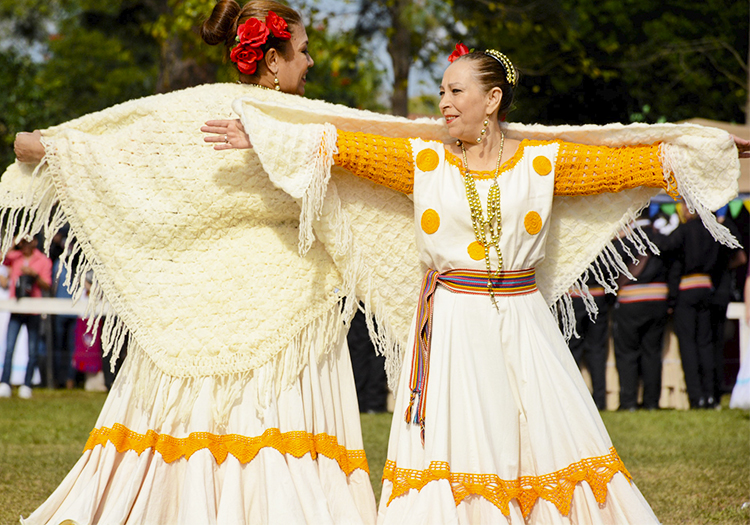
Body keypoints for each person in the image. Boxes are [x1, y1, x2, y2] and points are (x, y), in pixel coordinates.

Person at [217, 45, 743, 523]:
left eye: (455, 91)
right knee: (460, 443)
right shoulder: (424, 163)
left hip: (524, 320)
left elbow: (629, 166)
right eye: (441, 91)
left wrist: (710, 152)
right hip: (453, 327)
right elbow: (342, 146)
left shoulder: (542, 164)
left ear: (491, 100)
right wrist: (265, 137)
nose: (443, 101)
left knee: (547, 436)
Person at [9, 1, 376, 523]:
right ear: (273, 59)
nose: (311, 62)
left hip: (212, 299)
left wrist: (53, 145)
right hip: (281, 303)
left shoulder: (201, 107)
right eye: (305, 49)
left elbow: (103, 146)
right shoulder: (304, 123)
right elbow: (389, 146)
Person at [612, 212, 674, 410]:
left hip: (631, 300)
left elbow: (610, 269)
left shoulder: (625, 241)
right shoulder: (662, 239)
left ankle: (629, 402)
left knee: (627, 354)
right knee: (652, 353)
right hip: (659, 300)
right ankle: (651, 402)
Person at [0, 236, 52, 399]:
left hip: (33, 309)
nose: (25, 245)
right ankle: (5, 383)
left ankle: (27, 384)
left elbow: (47, 285)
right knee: (9, 348)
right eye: (23, 242)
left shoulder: (43, 261)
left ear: (35, 242)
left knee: (32, 349)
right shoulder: (15, 257)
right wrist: (15, 242)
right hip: (16, 308)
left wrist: (34, 275)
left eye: (27, 241)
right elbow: (2, 257)